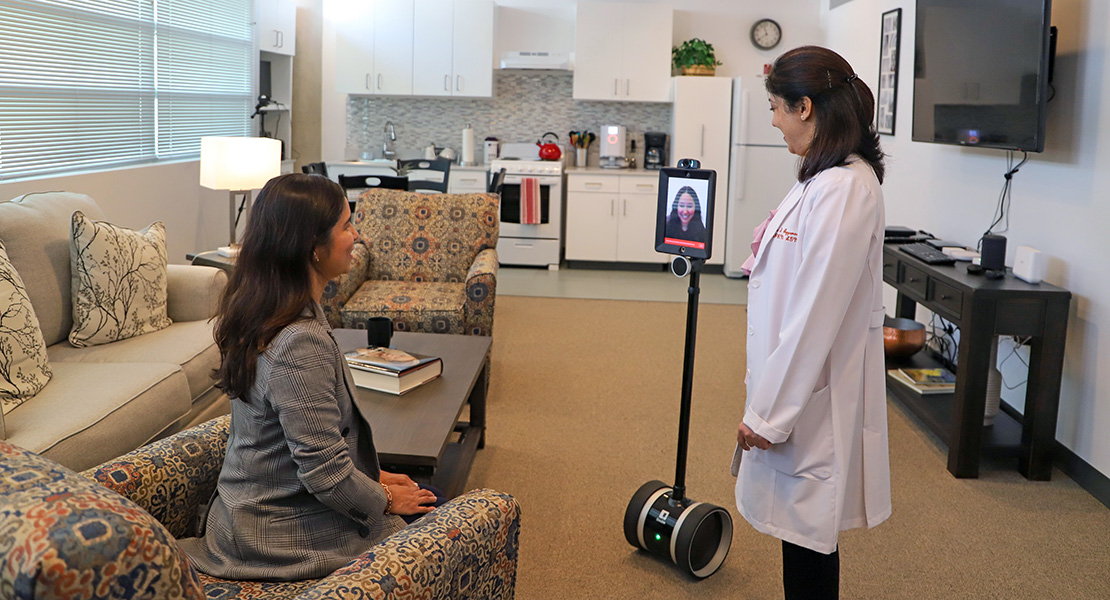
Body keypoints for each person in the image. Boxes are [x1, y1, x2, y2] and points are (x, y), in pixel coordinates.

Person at [179, 174, 442, 581]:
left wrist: (373, 476)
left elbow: (305, 442)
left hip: (252, 508)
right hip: (274, 535)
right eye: (346, 226)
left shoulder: (266, 307)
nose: (357, 236)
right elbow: (325, 473)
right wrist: (384, 498)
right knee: (440, 519)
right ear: (311, 248)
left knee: (423, 497)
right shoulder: (299, 341)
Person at [732, 45, 891, 600]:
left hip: (807, 392)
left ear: (805, 107)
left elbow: (815, 313)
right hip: (795, 386)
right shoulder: (821, 179)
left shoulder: (846, 188)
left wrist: (769, 414)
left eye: (775, 107)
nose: (772, 122)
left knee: (809, 537)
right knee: (801, 533)